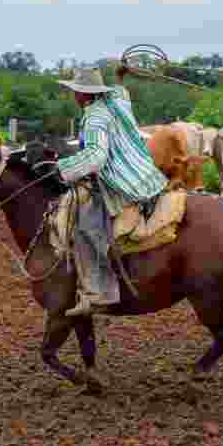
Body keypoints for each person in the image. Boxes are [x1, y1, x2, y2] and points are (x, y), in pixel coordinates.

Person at [43, 66, 168, 316]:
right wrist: (121, 76)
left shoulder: (95, 118)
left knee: (85, 226)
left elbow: (96, 157)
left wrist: (62, 168)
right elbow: (123, 91)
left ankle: (100, 293)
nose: (74, 96)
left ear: (82, 94)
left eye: (75, 91)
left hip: (124, 183)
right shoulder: (117, 100)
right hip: (146, 174)